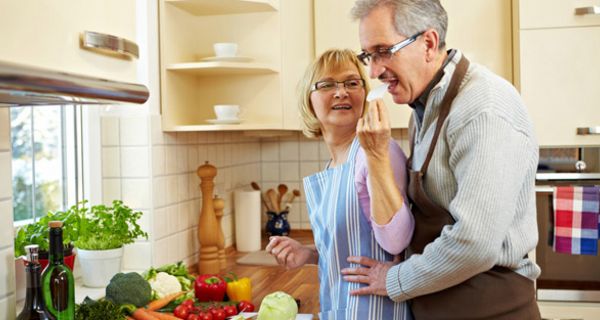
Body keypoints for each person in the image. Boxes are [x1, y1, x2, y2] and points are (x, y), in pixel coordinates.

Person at [340, 0, 542, 319]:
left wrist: (393, 279)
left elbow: (475, 243)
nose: (373, 71)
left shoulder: (482, 108)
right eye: (368, 55)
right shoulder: (424, 107)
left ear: (429, 44)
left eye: (382, 51)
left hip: (490, 309)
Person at [266, 48, 414, 319]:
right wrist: (308, 254)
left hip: (377, 311)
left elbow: (396, 241)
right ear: (308, 100)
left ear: (365, 93)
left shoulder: (378, 152)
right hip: (342, 306)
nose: (341, 92)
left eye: (351, 83)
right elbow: (356, 247)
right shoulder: (334, 165)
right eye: (327, 84)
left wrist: (377, 153)